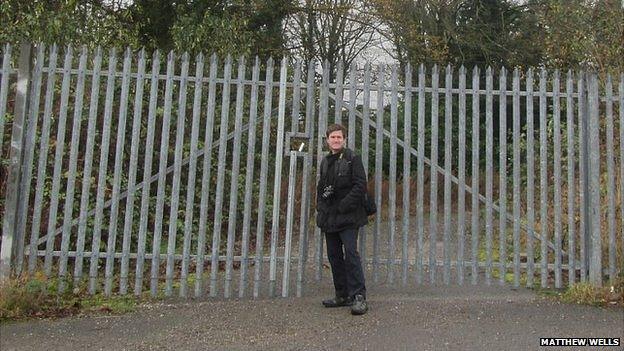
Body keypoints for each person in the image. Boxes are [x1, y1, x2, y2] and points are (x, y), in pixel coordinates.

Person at [316, 123, 369, 315]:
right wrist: (321, 209)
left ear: (344, 139)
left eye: (339, 137)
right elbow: (321, 188)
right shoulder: (325, 161)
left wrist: (344, 205)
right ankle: (342, 294)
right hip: (330, 217)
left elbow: (360, 184)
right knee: (334, 255)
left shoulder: (353, 158)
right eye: (333, 137)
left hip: (349, 216)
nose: (336, 140)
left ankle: (359, 296)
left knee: (351, 253)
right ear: (327, 139)